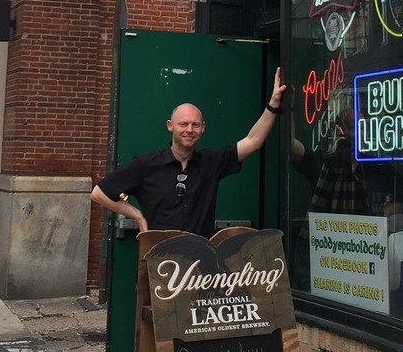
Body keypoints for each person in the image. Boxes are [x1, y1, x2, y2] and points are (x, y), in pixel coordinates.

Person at [91, 67, 287, 238]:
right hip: (159, 263)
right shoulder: (146, 165)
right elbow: (99, 193)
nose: (189, 130)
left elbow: (253, 141)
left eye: (195, 125)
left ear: (203, 128)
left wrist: (274, 102)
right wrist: (138, 216)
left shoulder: (210, 162)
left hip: (200, 268)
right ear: (170, 126)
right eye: (183, 124)